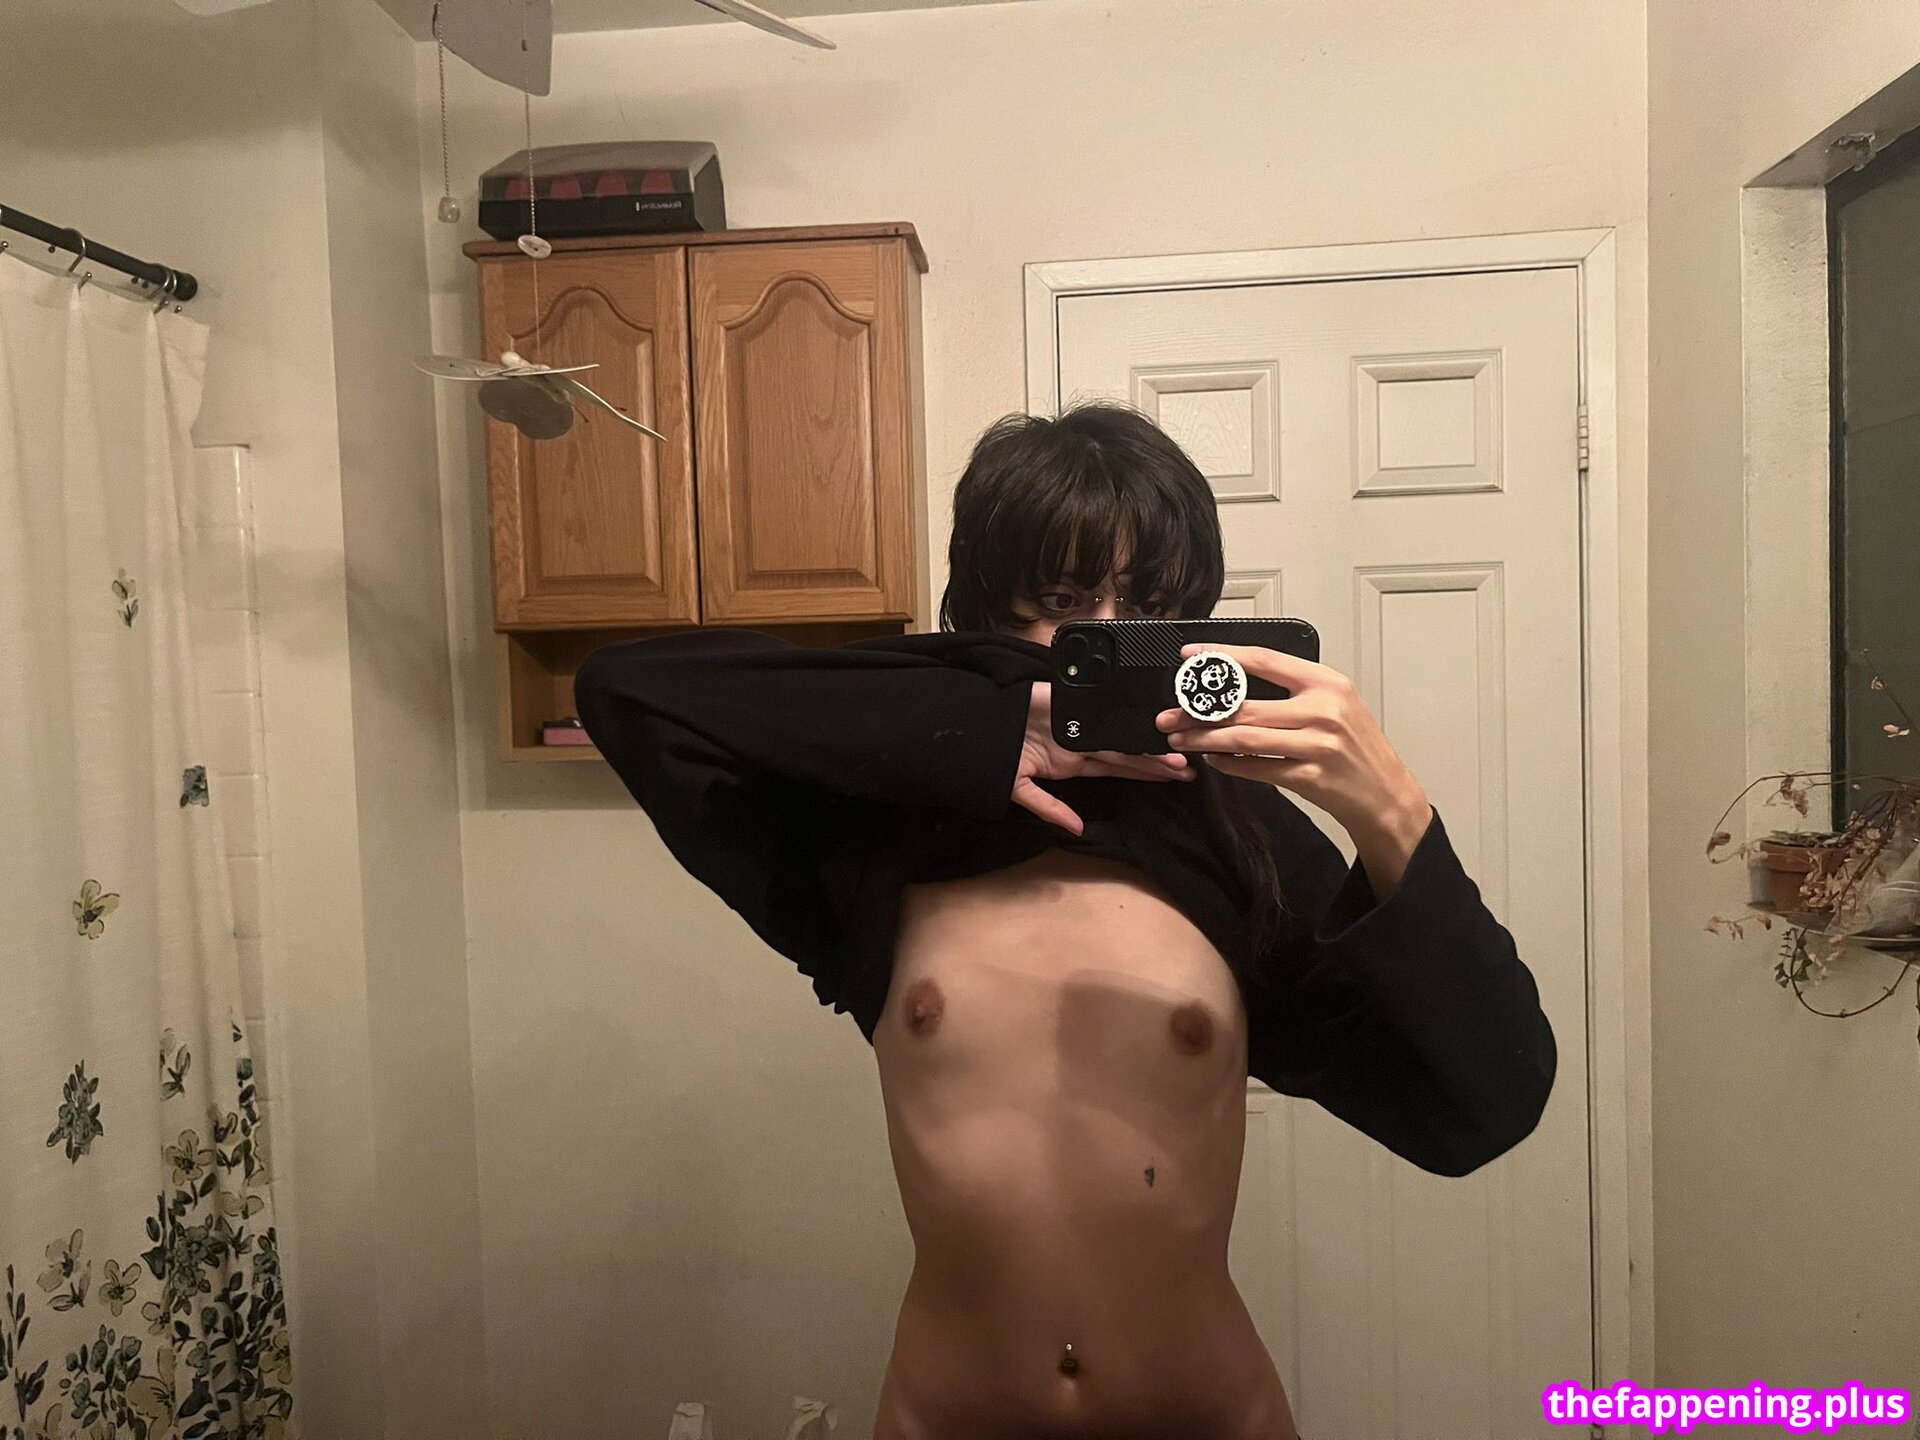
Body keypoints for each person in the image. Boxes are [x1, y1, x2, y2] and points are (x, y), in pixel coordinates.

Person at [573, 401, 1556, 1440]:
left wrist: (1389, 810)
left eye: (1147, 608)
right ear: (986, 610)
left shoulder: (1241, 837)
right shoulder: (881, 837)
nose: (1104, 640)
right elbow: (630, 693)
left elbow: (1485, 1107)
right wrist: (980, 727)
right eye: (1061, 603)